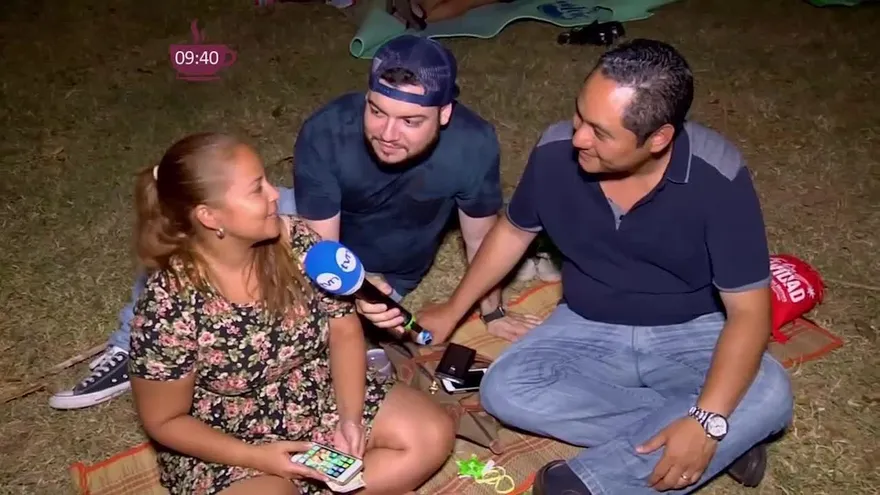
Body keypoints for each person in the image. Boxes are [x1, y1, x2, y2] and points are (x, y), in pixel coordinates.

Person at [360, 39, 794, 494]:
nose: (579, 137)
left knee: (770, 389)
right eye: (580, 116)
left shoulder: (717, 176)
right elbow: (513, 231)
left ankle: (590, 484)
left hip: (688, 330)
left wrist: (707, 420)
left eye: (600, 133)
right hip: (587, 322)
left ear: (658, 139)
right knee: (507, 391)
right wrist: (454, 308)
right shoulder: (556, 153)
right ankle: (725, 435)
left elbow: (749, 313)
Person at [49, 35, 545, 410]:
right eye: (377, 112)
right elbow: (321, 246)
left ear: (444, 114)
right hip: (321, 231)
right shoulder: (328, 131)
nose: (388, 133)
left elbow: (483, 233)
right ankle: (130, 346)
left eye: (409, 121)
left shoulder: (474, 143)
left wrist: (491, 311)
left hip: (391, 262)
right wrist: (352, 287)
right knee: (201, 219)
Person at [127, 132, 455, 495]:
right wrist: (258, 458)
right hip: (227, 435)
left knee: (430, 435)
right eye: (256, 189)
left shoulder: (298, 243)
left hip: (315, 391)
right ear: (209, 216)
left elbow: (344, 331)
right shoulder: (169, 304)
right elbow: (164, 420)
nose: (274, 194)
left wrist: (349, 420)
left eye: (267, 180)